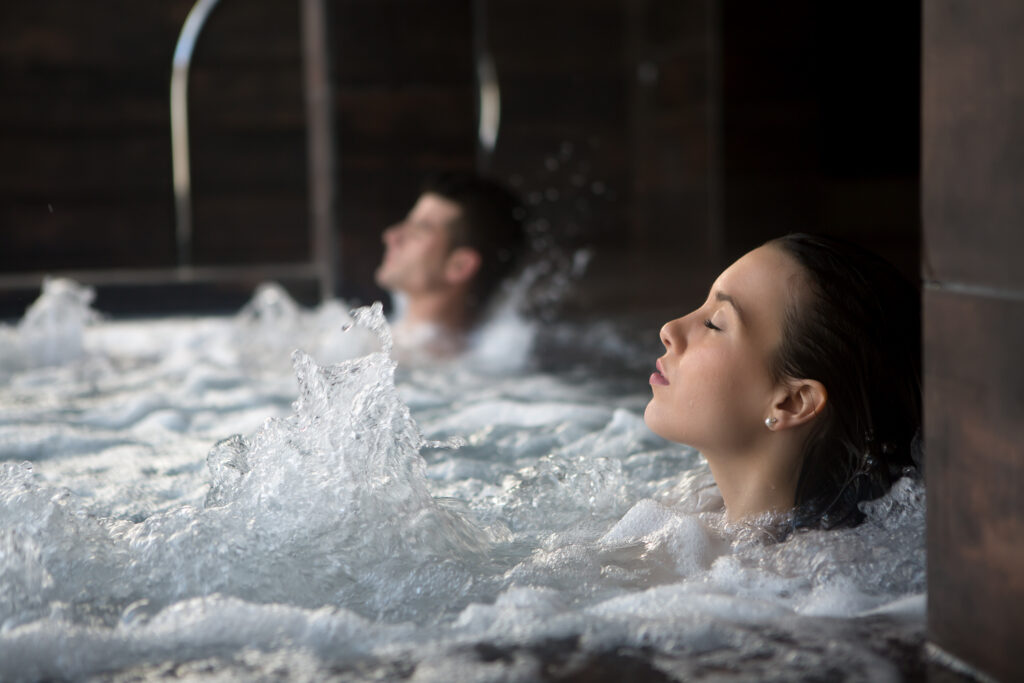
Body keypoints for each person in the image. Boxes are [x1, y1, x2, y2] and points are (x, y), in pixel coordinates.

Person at [645, 233, 921, 530]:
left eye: (715, 324)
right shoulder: (686, 509)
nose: (669, 329)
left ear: (792, 402)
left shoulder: (813, 562)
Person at [374, 171, 526, 358]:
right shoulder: (384, 344)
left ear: (460, 266)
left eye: (420, 229)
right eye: (408, 222)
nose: (392, 236)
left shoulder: (406, 359)